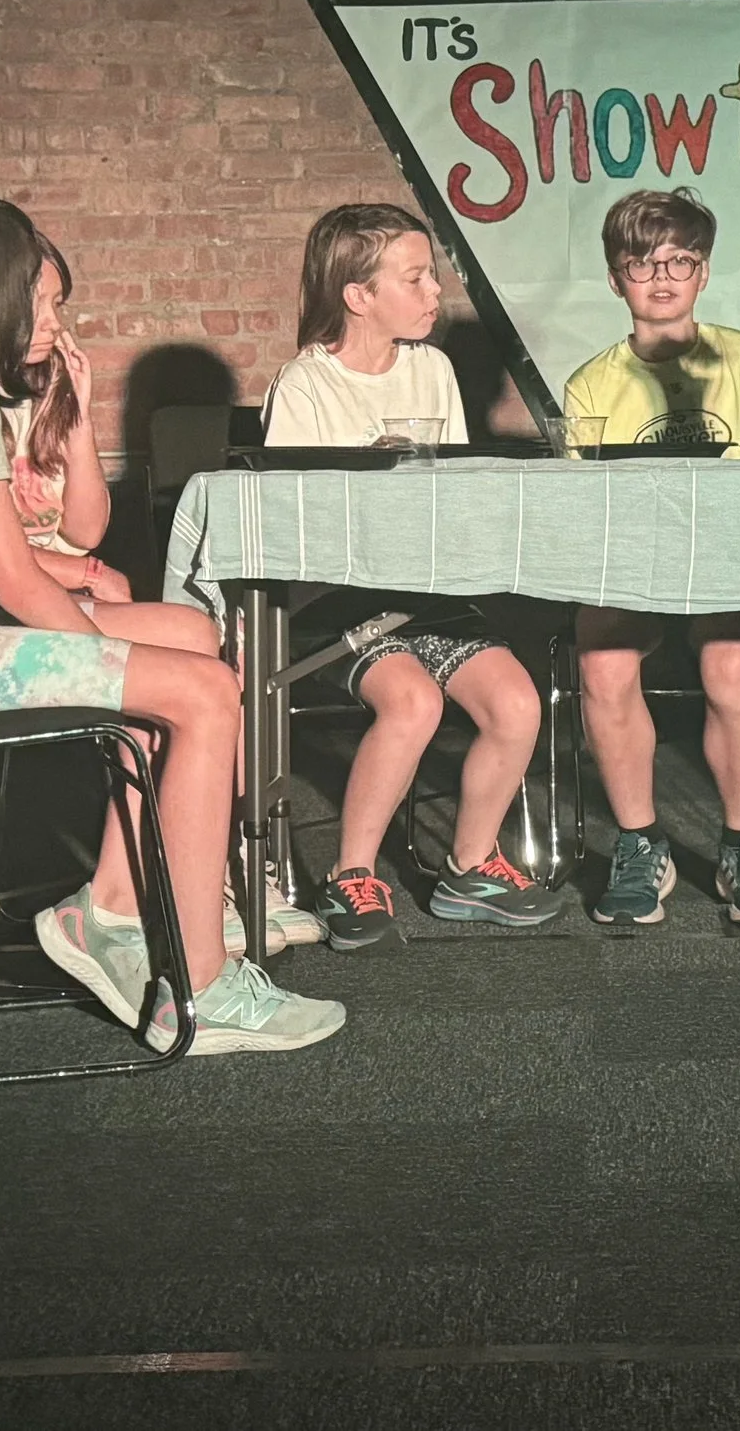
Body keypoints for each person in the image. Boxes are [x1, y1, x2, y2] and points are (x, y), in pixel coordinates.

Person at [0, 195, 343, 1054]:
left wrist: (116, 646)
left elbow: (1, 559)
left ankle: (115, 911)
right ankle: (195, 990)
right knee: (202, 692)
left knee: (189, 647)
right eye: (42, 301)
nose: (54, 320)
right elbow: (13, 578)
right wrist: (110, 658)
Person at [0, 233, 326, 953]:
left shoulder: (39, 393)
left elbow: (84, 526)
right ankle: (190, 877)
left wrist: (77, 416)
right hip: (6, 608)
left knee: (208, 633)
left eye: (60, 305)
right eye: (45, 304)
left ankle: (225, 863)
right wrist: (81, 573)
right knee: (193, 657)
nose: (57, 321)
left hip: (67, 594)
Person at [264, 202, 560, 948]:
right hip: (337, 598)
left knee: (516, 701)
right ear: (357, 295)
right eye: (416, 277)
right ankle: (352, 874)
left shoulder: (432, 369)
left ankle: (470, 866)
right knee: (413, 703)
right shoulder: (305, 386)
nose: (436, 293)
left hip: (423, 592)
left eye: (433, 275)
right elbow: (297, 525)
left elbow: (450, 493)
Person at [563, 188, 740, 929]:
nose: (662, 277)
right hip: (632, 553)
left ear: (703, 273)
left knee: (731, 665)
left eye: (680, 261)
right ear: (614, 279)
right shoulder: (589, 383)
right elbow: (581, 507)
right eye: (641, 263)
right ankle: (641, 843)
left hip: (728, 550)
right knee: (601, 661)